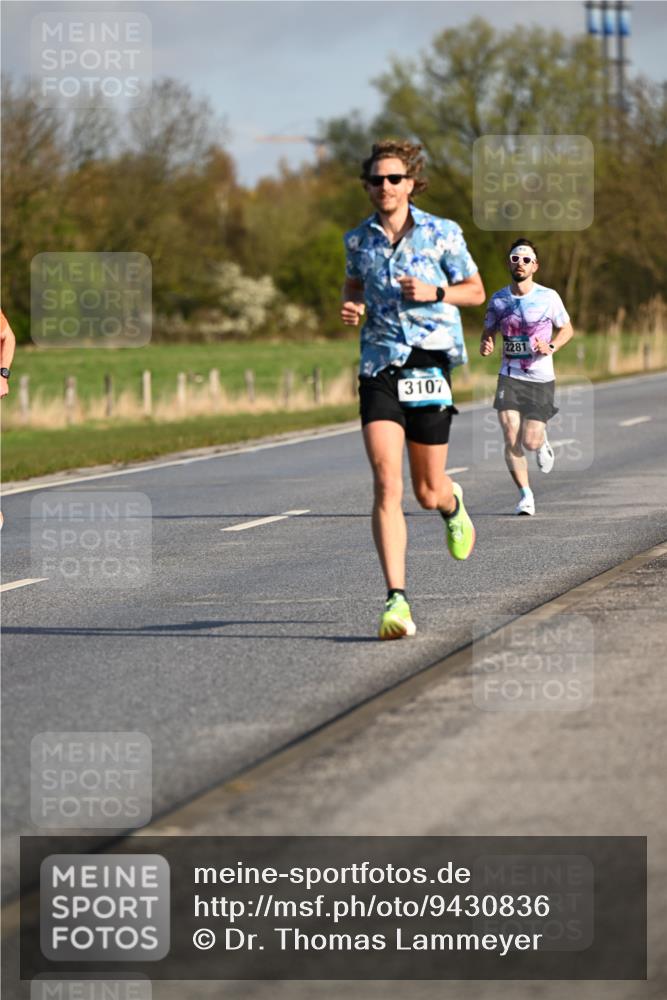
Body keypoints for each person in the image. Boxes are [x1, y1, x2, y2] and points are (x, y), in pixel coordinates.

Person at [341, 139, 485, 640]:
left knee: (426, 491)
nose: (385, 186)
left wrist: (436, 292)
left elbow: (476, 291)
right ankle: (396, 601)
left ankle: (451, 504)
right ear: (367, 186)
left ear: (411, 184)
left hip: (428, 362)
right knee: (387, 483)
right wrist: (353, 306)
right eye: (376, 179)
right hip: (379, 364)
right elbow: (354, 285)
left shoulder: (443, 233)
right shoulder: (357, 241)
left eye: (394, 178)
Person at [480, 239, 574, 516]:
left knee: (530, 441)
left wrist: (551, 346)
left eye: (525, 260)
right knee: (510, 434)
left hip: (540, 378)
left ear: (535, 266)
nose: (519, 263)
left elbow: (567, 330)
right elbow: (488, 332)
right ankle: (526, 495)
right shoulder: (498, 300)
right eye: (515, 258)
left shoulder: (548, 297)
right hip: (510, 376)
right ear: (509, 263)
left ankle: (541, 441)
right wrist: (486, 343)